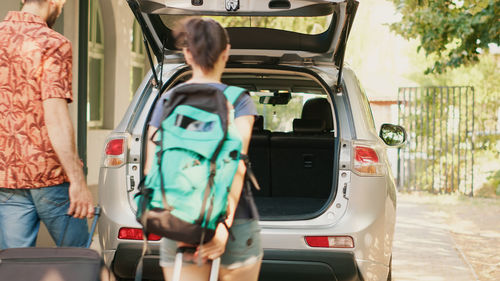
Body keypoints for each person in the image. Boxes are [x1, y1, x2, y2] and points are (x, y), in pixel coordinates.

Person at [144, 18, 262, 281]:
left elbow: (152, 167)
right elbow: (236, 167)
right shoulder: (238, 101)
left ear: (187, 54)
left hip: (179, 220)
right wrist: (221, 228)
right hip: (234, 224)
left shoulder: (167, 101)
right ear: (226, 53)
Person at [0, 0, 95, 249]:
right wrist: (78, 181)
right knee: (79, 262)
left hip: (7, 177)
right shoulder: (53, 43)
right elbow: (56, 116)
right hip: (50, 176)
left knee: (15, 268)